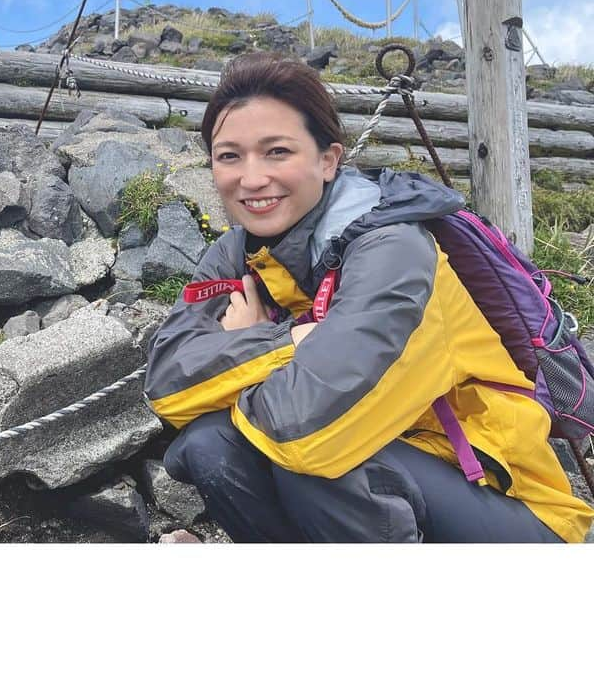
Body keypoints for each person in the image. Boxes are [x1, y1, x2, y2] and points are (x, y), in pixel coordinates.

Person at [144, 52, 594, 543]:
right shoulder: (235, 253)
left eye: (277, 151)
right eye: (229, 155)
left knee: (313, 464)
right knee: (209, 446)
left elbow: (300, 429)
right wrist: (292, 340)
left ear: (328, 160)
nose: (251, 178)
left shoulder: (395, 249)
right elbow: (165, 382)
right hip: (384, 463)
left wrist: (232, 361)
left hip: (504, 500)